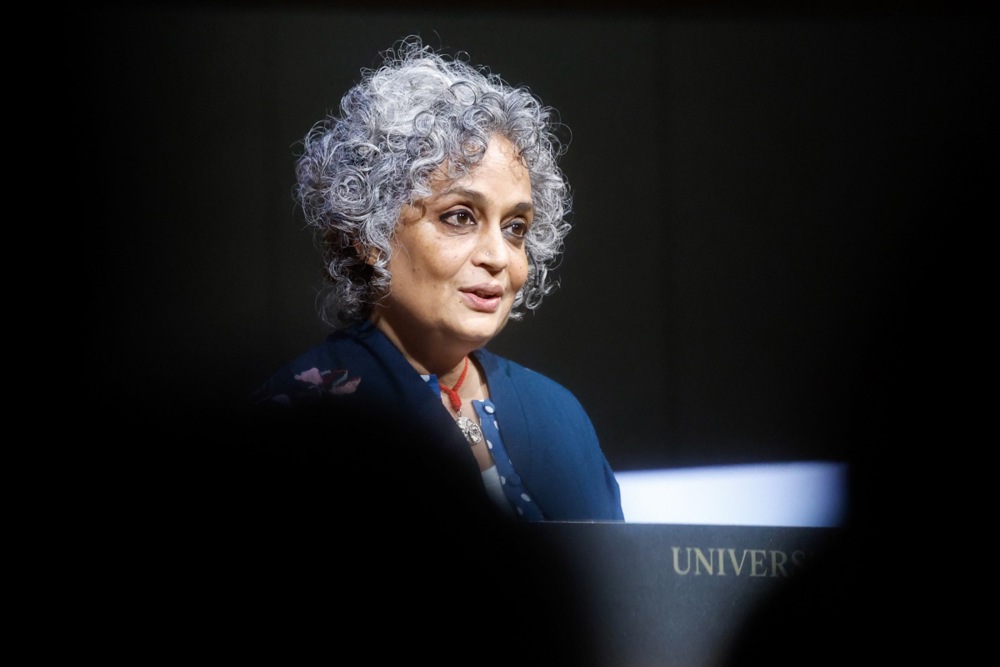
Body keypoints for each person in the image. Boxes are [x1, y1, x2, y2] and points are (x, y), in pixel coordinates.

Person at [251, 35, 624, 523]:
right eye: (460, 217)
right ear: (371, 233)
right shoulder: (299, 418)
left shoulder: (558, 414)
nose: (497, 257)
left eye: (515, 228)